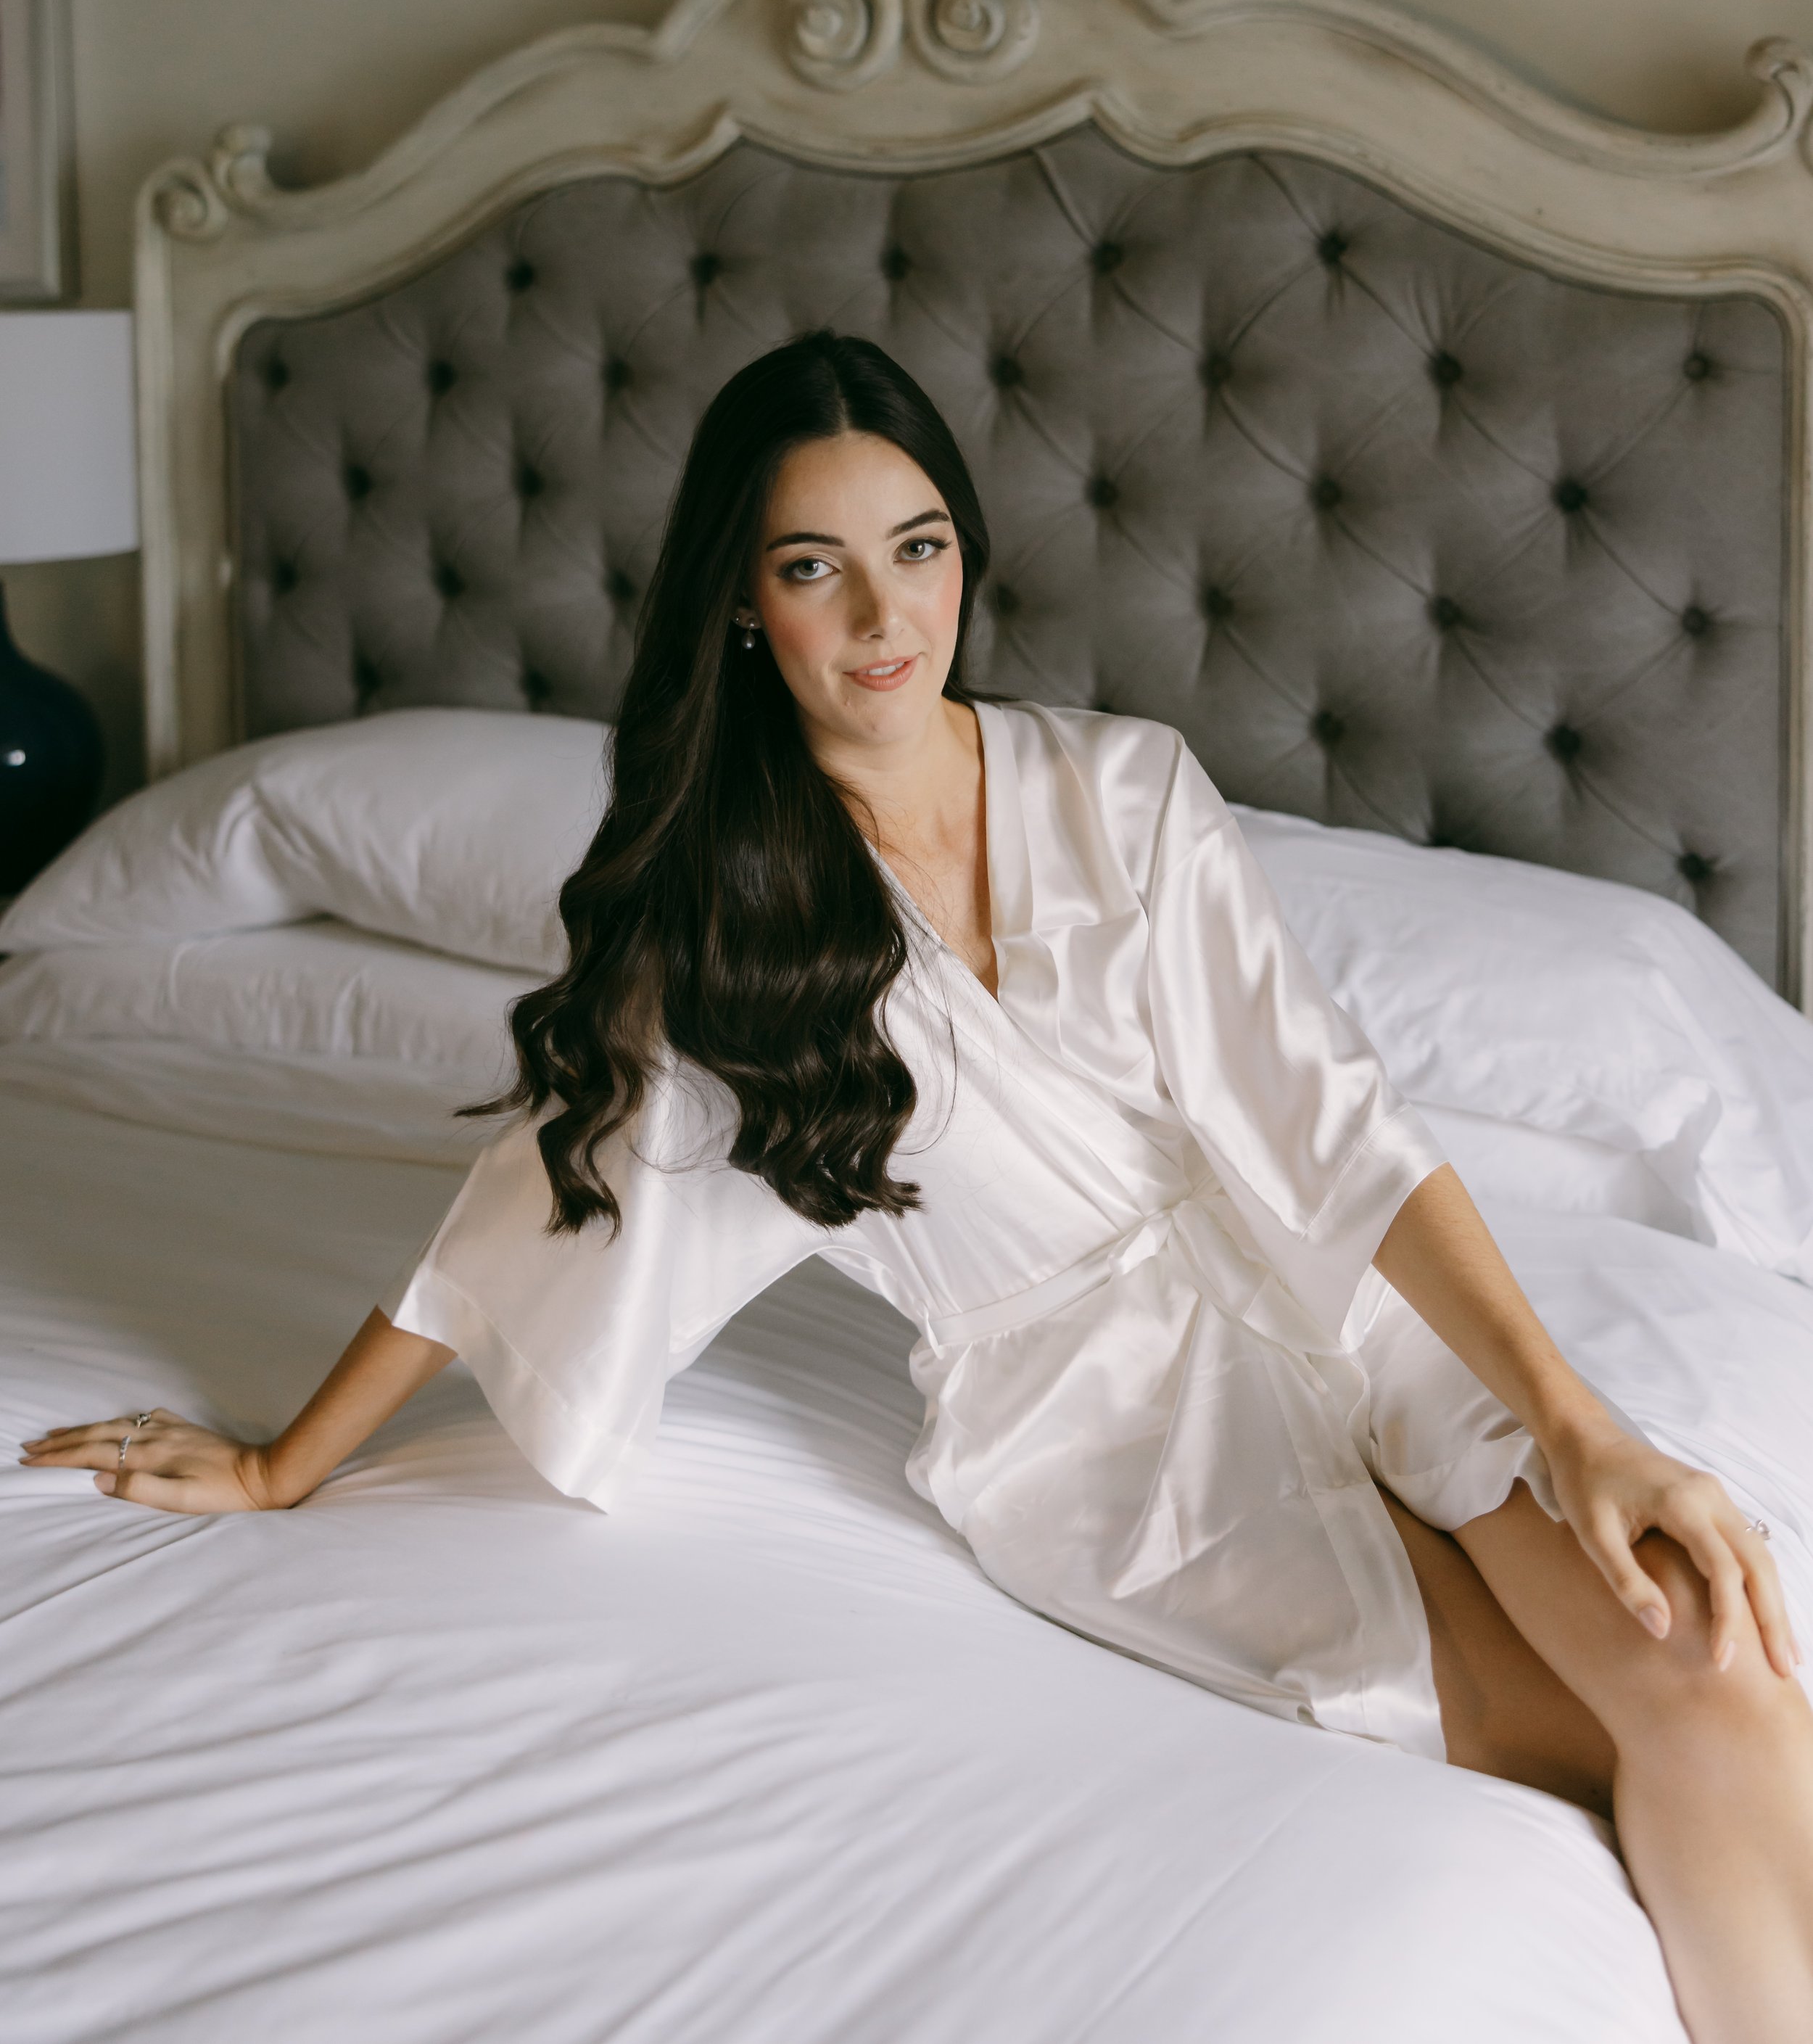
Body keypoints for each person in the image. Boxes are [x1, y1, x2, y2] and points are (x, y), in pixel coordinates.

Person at [25, 331, 1813, 2044]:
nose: (886, 616)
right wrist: (280, 1464)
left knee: (1714, 1668)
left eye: (919, 546)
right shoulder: (732, 934)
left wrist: (1575, 1423)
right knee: (1646, 1733)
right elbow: (523, 1212)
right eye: (814, 567)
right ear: (743, 601)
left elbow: (1331, 1128)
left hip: (1335, 1300)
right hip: (1106, 1430)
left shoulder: (1123, 789)